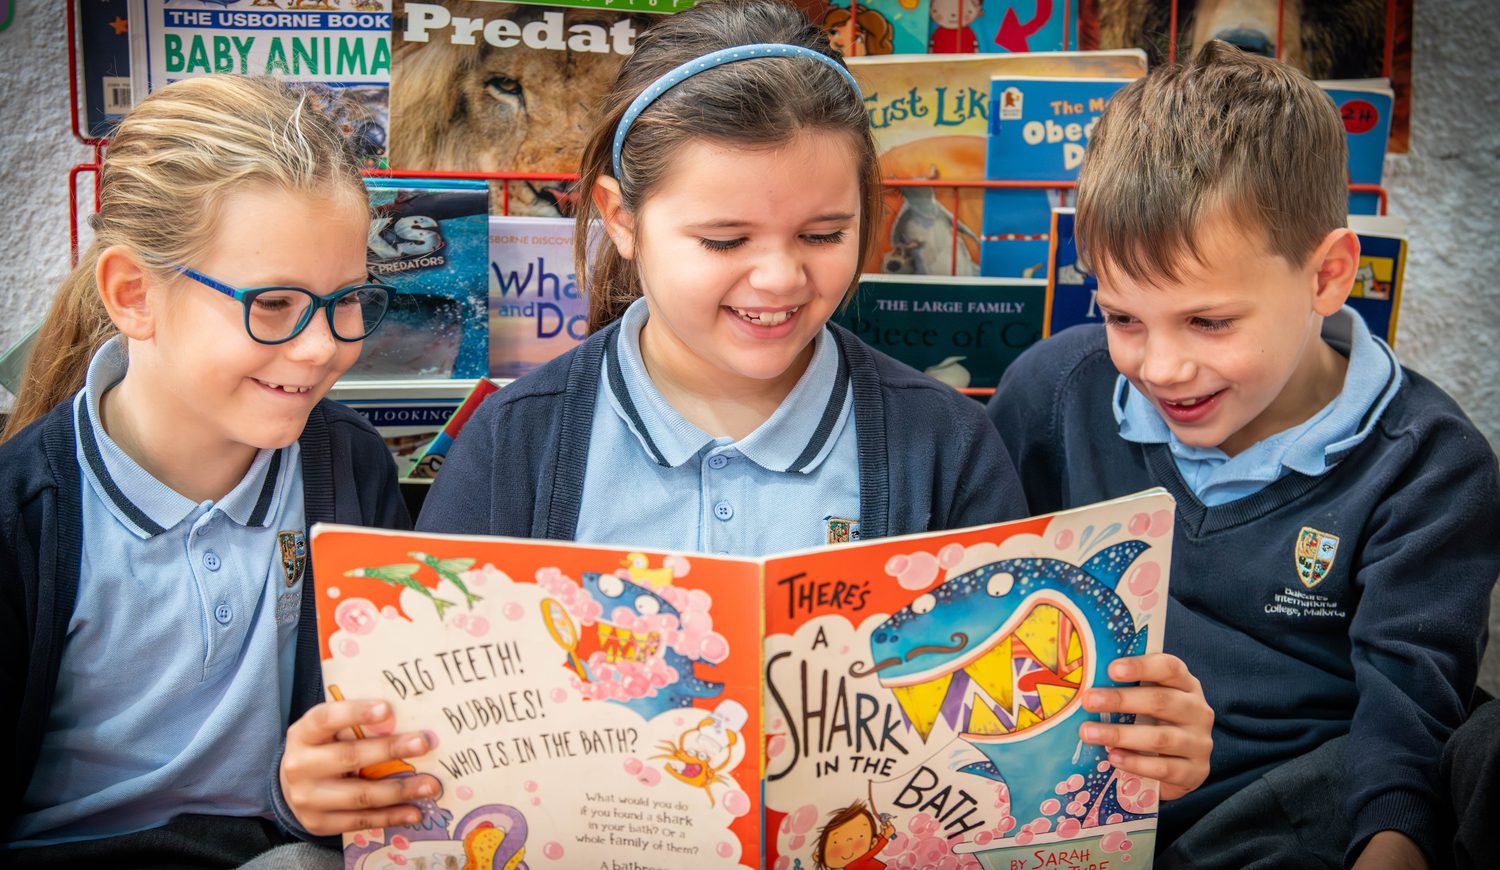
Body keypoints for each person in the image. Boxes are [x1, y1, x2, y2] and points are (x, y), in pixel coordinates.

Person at [416, 0, 1211, 838]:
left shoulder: (944, 446)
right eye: (724, 241)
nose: (780, 279)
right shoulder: (516, 443)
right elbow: (431, 733)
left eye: (825, 233)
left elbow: (1014, 741)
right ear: (621, 219)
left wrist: (1140, 750)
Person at [988, 40, 1500, 869]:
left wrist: (1391, 848)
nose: (1160, 368)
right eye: (1123, 318)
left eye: (1210, 322)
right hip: (1085, 794)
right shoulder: (1053, 394)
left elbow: (1405, 719)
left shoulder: (1430, 462)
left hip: (1310, 804)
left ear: (1328, 276)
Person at [0, 75, 431, 867]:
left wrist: (318, 793)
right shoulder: (24, 514)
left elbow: (380, 745)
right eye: (273, 304)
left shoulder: (353, 471)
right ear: (134, 295)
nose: (322, 346)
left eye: (347, 299)